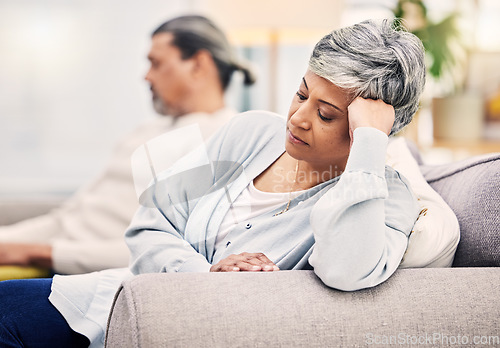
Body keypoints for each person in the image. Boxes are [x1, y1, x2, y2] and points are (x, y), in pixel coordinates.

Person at [0, 19, 426, 347]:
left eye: (327, 114)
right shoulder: (251, 133)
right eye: (301, 95)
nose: (298, 118)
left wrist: (369, 148)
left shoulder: (385, 199)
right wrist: (203, 274)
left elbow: (347, 271)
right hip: (120, 300)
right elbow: (149, 222)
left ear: (369, 127)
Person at [0, 15, 255, 278]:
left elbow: (163, 249)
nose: (146, 76)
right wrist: (7, 241)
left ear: (198, 64)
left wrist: (37, 252)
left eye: (156, 64)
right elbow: (69, 218)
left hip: (81, 272)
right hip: (51, 252)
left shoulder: (221, 143)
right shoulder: (148, 130)